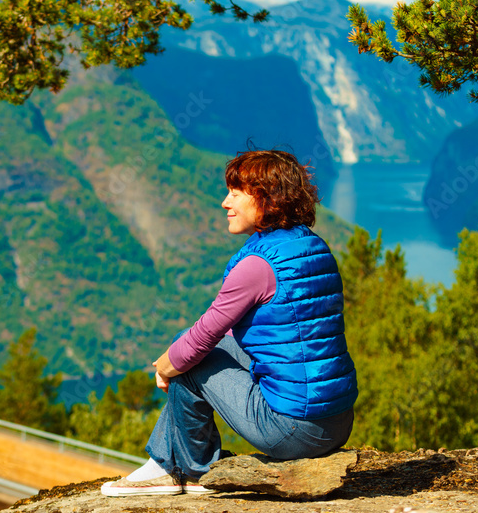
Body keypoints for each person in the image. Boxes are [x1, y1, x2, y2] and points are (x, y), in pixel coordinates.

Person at [101, 150, 358, 497]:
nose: (225, 202)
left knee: (188, 357)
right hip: (338, 420)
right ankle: (167, 461)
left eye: (236, 193)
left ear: (268, 199)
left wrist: (164, 367)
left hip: (293, 430)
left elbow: (202, 336)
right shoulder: (313, 247)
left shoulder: (258, 266)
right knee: (198, 346)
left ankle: (189, 471)